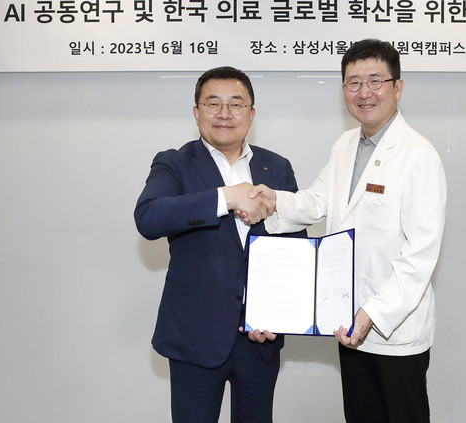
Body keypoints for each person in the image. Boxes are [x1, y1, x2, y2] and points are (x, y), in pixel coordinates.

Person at [247, 39, 447, 422]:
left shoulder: (418, 155)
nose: (364, 92)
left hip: (392, 328)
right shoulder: (345, 145)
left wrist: (373, 312)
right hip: (348, 320)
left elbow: (420, 255)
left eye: (375, 81)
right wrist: (274, 201)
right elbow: (318, 200)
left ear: (398, 87)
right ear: (343, 90)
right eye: (353, 83)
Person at [134, 66, 305, 423]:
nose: (224, 113)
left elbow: (295, 251)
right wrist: (227, 197)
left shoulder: (277, 167)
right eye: (213, 104)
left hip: (260, 339)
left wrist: (279, 315)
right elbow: (148, 218)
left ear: (251, 114)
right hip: (195, 337)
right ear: (196, 112)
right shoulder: (174, 163)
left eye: (236, 104)